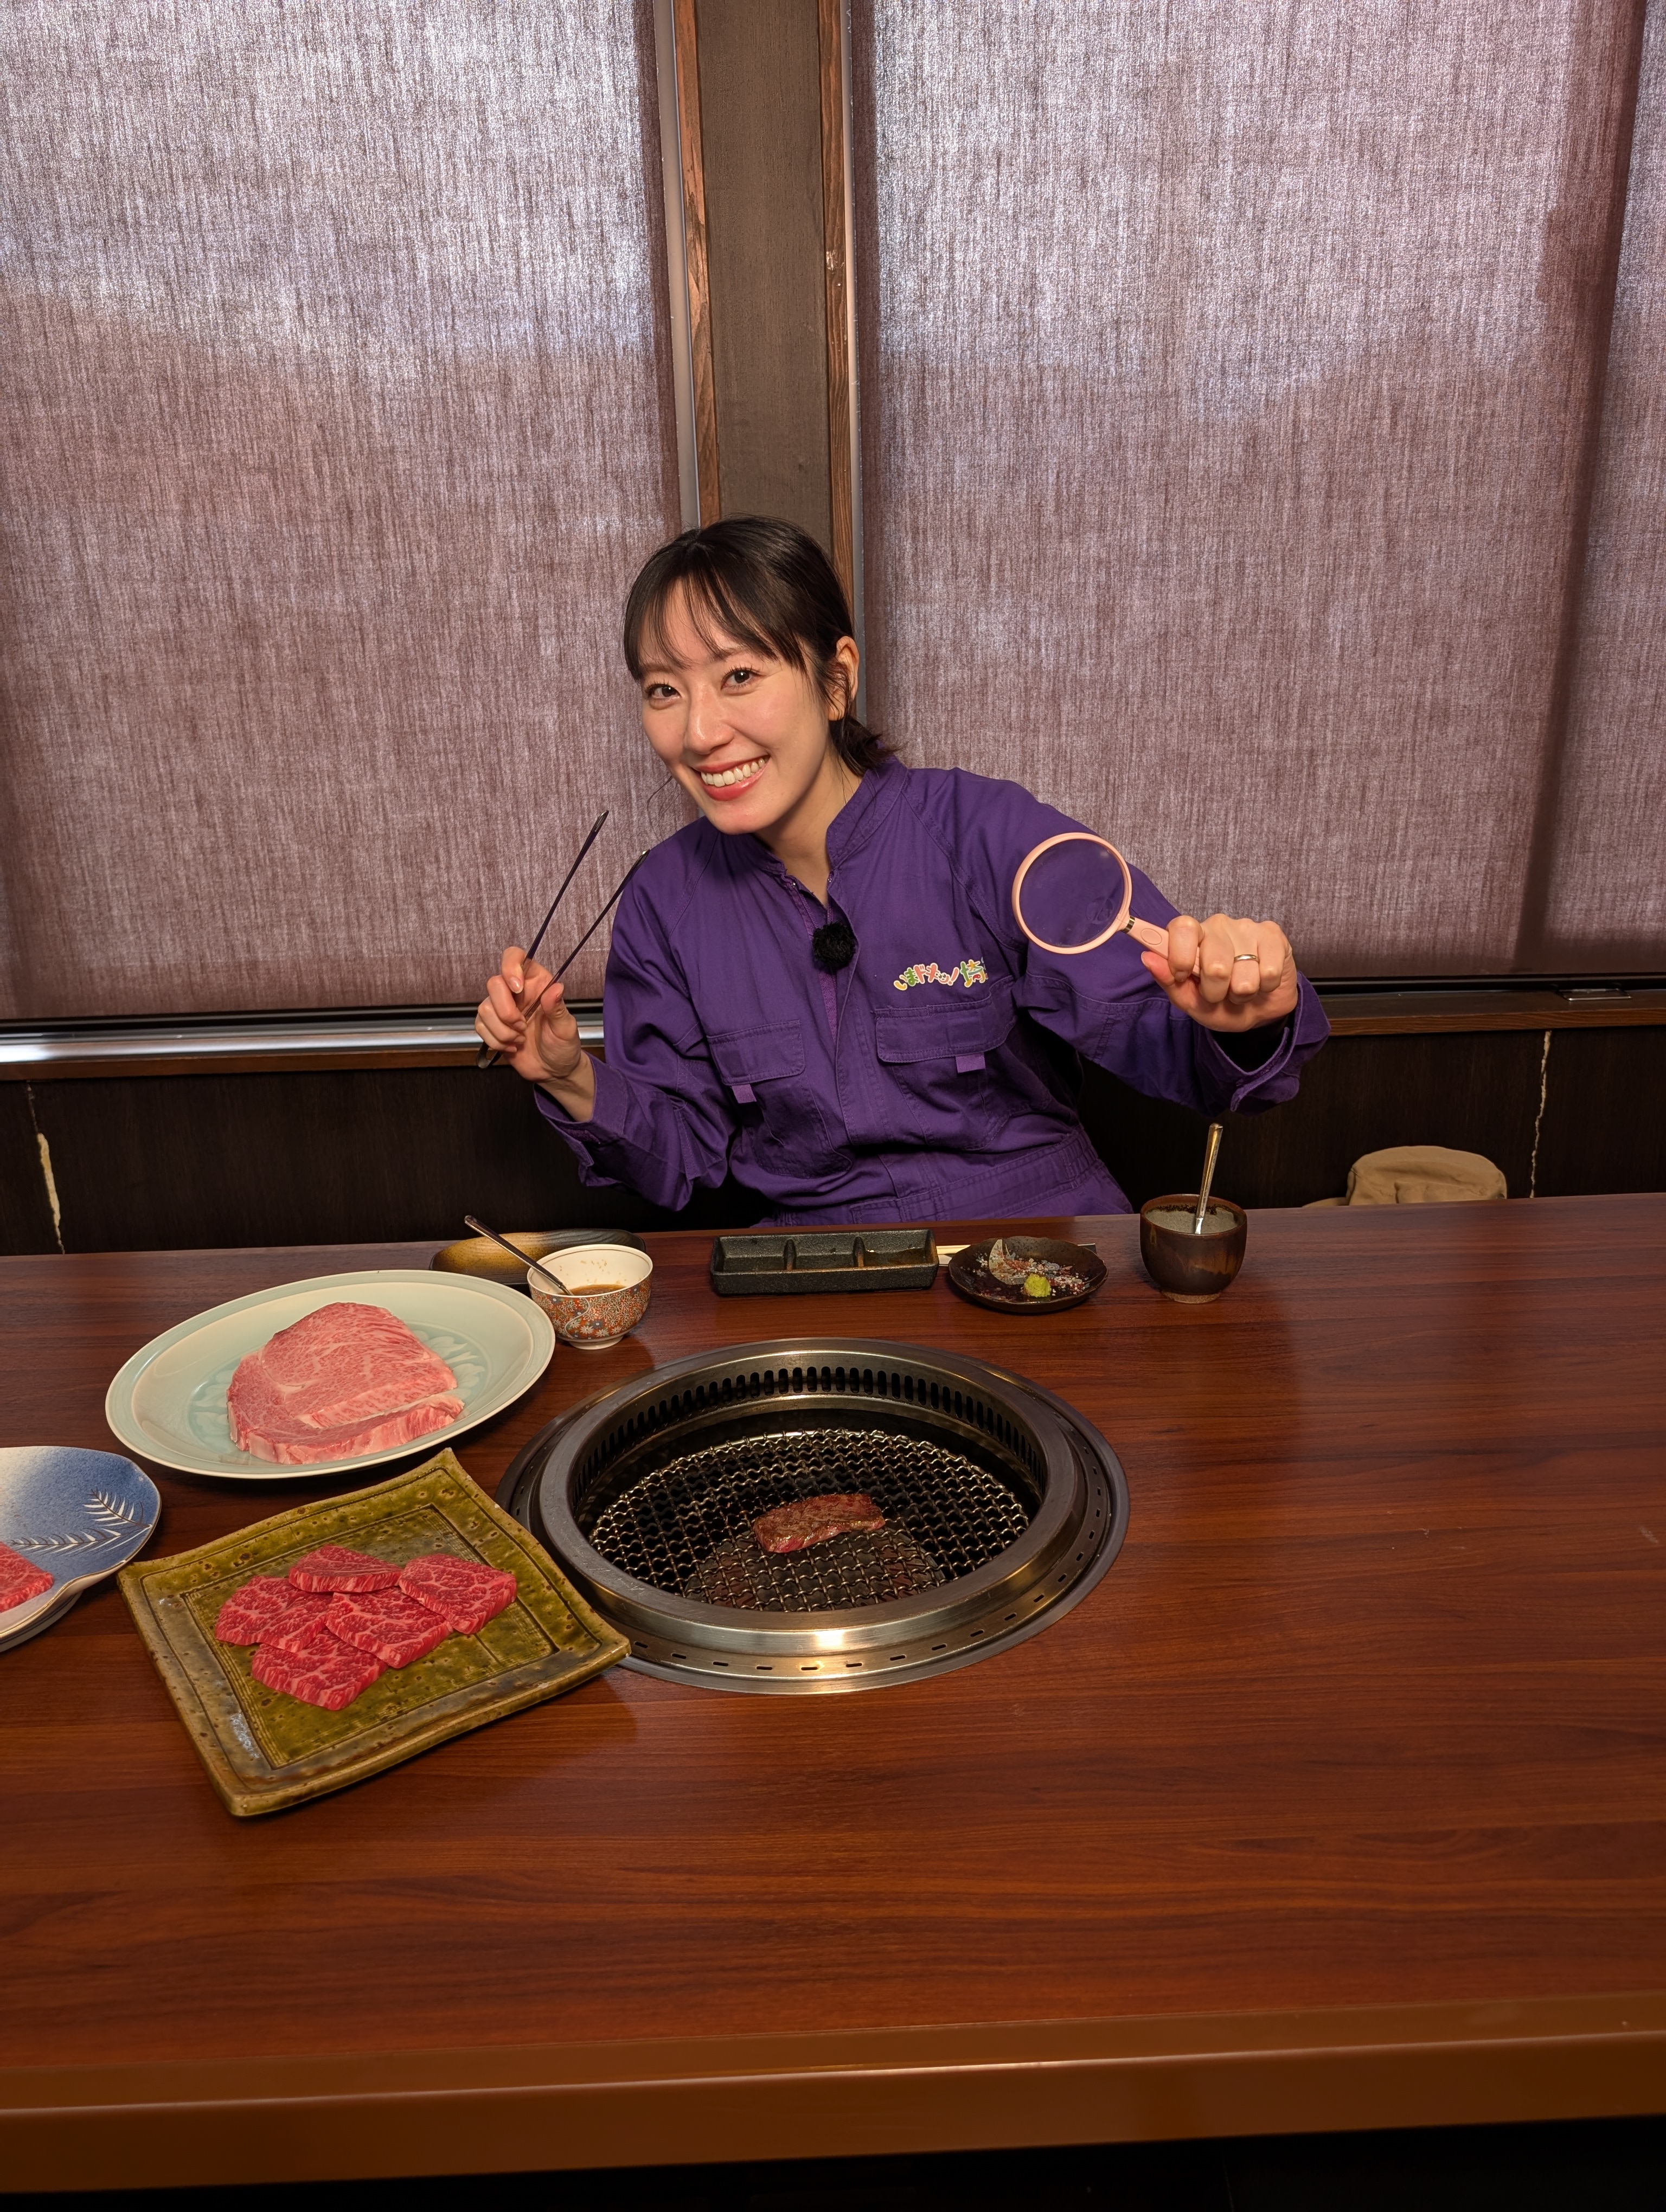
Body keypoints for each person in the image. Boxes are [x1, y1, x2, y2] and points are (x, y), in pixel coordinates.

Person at [476, 518, 1329, 1223]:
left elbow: (1180, 1046)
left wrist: (1242, 1020)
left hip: (1039, 1243)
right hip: (809, 1281)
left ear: (835, 678)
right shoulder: (665, 898)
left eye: (740, 675)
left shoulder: (988, 834)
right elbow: (684, 1164)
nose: (699, 732)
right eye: (664, 690)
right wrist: (570, 1076)